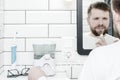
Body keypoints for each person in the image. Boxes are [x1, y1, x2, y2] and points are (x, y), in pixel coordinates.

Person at [79, 0, 120, 80]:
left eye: (104, 18)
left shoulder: (115, 41)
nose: (100, 23)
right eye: (96, 18)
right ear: (88, 20)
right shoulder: (78, 41)